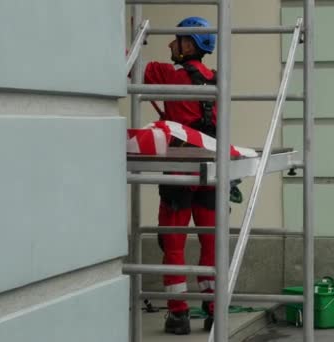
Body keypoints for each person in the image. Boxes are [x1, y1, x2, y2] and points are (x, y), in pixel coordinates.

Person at [143, 16, 217, 335]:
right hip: (211, 168)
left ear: (190, 45)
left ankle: (178, 314)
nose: (171, 44)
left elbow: (126, 61)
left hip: (178, 168)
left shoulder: (166, 74)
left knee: (173, 243)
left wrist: (135, 35)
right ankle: (213, 307)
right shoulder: (217, 79)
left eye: (177, 40)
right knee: (211, 241)